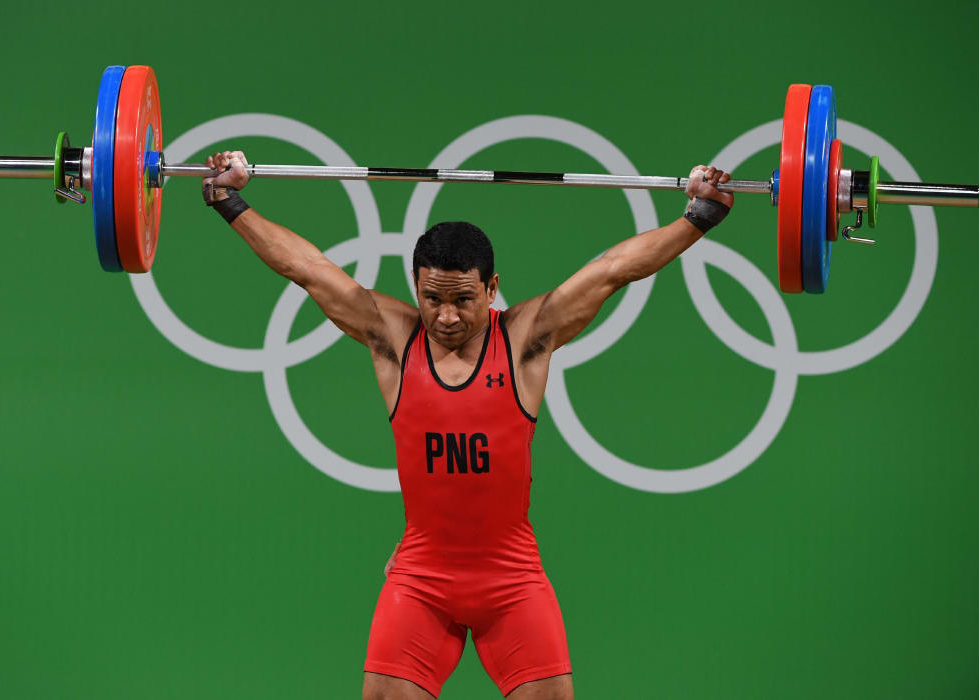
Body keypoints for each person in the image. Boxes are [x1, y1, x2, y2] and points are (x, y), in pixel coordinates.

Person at [201, 152, 734, 699]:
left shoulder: (527, 338)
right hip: (421, 581)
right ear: (415, 286)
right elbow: (307, 269)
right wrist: (230, 200)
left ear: (492, 288)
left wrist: (698, 217)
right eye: (431, 299)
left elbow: (613, 269)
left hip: (513, 582)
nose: (447, 316)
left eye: (463, 300)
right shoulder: (393, 337)